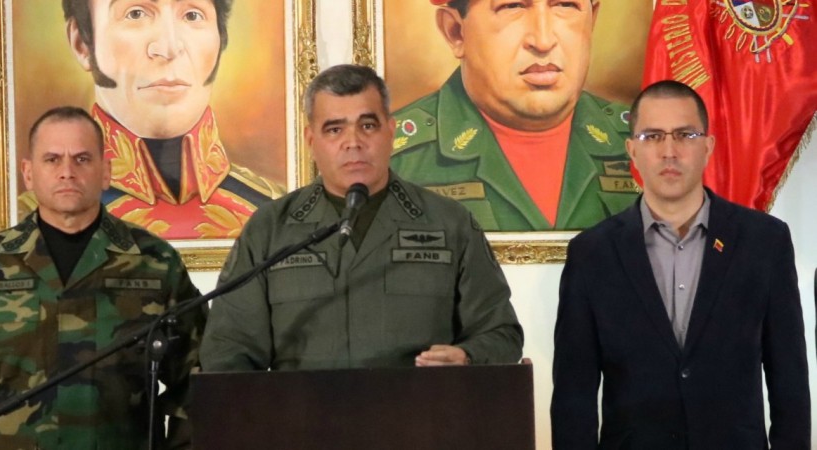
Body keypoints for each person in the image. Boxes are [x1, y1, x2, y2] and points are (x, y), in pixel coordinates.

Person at [200, 64, 523, 371]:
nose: (353, 143)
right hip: (302, 409)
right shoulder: (271, 229)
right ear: (311, 141)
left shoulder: (448, 223)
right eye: (334, 129)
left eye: (367, 126)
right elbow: (228, 350)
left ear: (390, 131)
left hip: (420, 407)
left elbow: (501, 334)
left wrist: (467, 357)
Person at [550, 80, 810, 448]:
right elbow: (573, 397)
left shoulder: (764, 242)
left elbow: (790, 383)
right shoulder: (592, 254)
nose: (669, 151)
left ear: (708, 147)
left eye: (685, 135)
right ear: (632, 150)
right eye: (652, 137)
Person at [0, 107, 206, 449]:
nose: (67, 172)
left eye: (82, 159)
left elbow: (196, 380)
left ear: (106, 172)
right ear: (28, 173)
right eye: (52, 159)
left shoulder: (154, 264)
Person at [26, 0, 286, 239]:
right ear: (81, 43)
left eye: (192, 15)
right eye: (135, 14)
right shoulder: (31, 218)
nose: (168, 48)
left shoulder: (273, 212)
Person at [390, 0, 638, 232]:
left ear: (592, 20)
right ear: (455, 32)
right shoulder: (391, 160)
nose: (543, 41)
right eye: (512, 6)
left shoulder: (644, 141)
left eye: (565, 4)